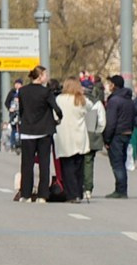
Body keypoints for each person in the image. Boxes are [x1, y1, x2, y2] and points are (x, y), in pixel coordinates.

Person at [51, 76, 100, 204]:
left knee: (67, 168)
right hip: (80, 137)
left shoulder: (60, 99)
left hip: (64, 137)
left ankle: (71, 194)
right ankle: (79, 192)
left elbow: (55, 115)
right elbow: (92, 108)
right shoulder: (81, 100)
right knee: (79, 167)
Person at [11, 65, 56, 201]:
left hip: (27, 131)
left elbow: (22, 110)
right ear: (40, 76)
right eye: (45, 74)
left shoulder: (23, 91)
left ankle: (26, 194)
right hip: (43, 131)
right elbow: (56, 108)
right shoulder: (46, 92)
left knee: (27, 164)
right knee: (44, 164)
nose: (47, 77)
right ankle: (43, 195)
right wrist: (57, 119)